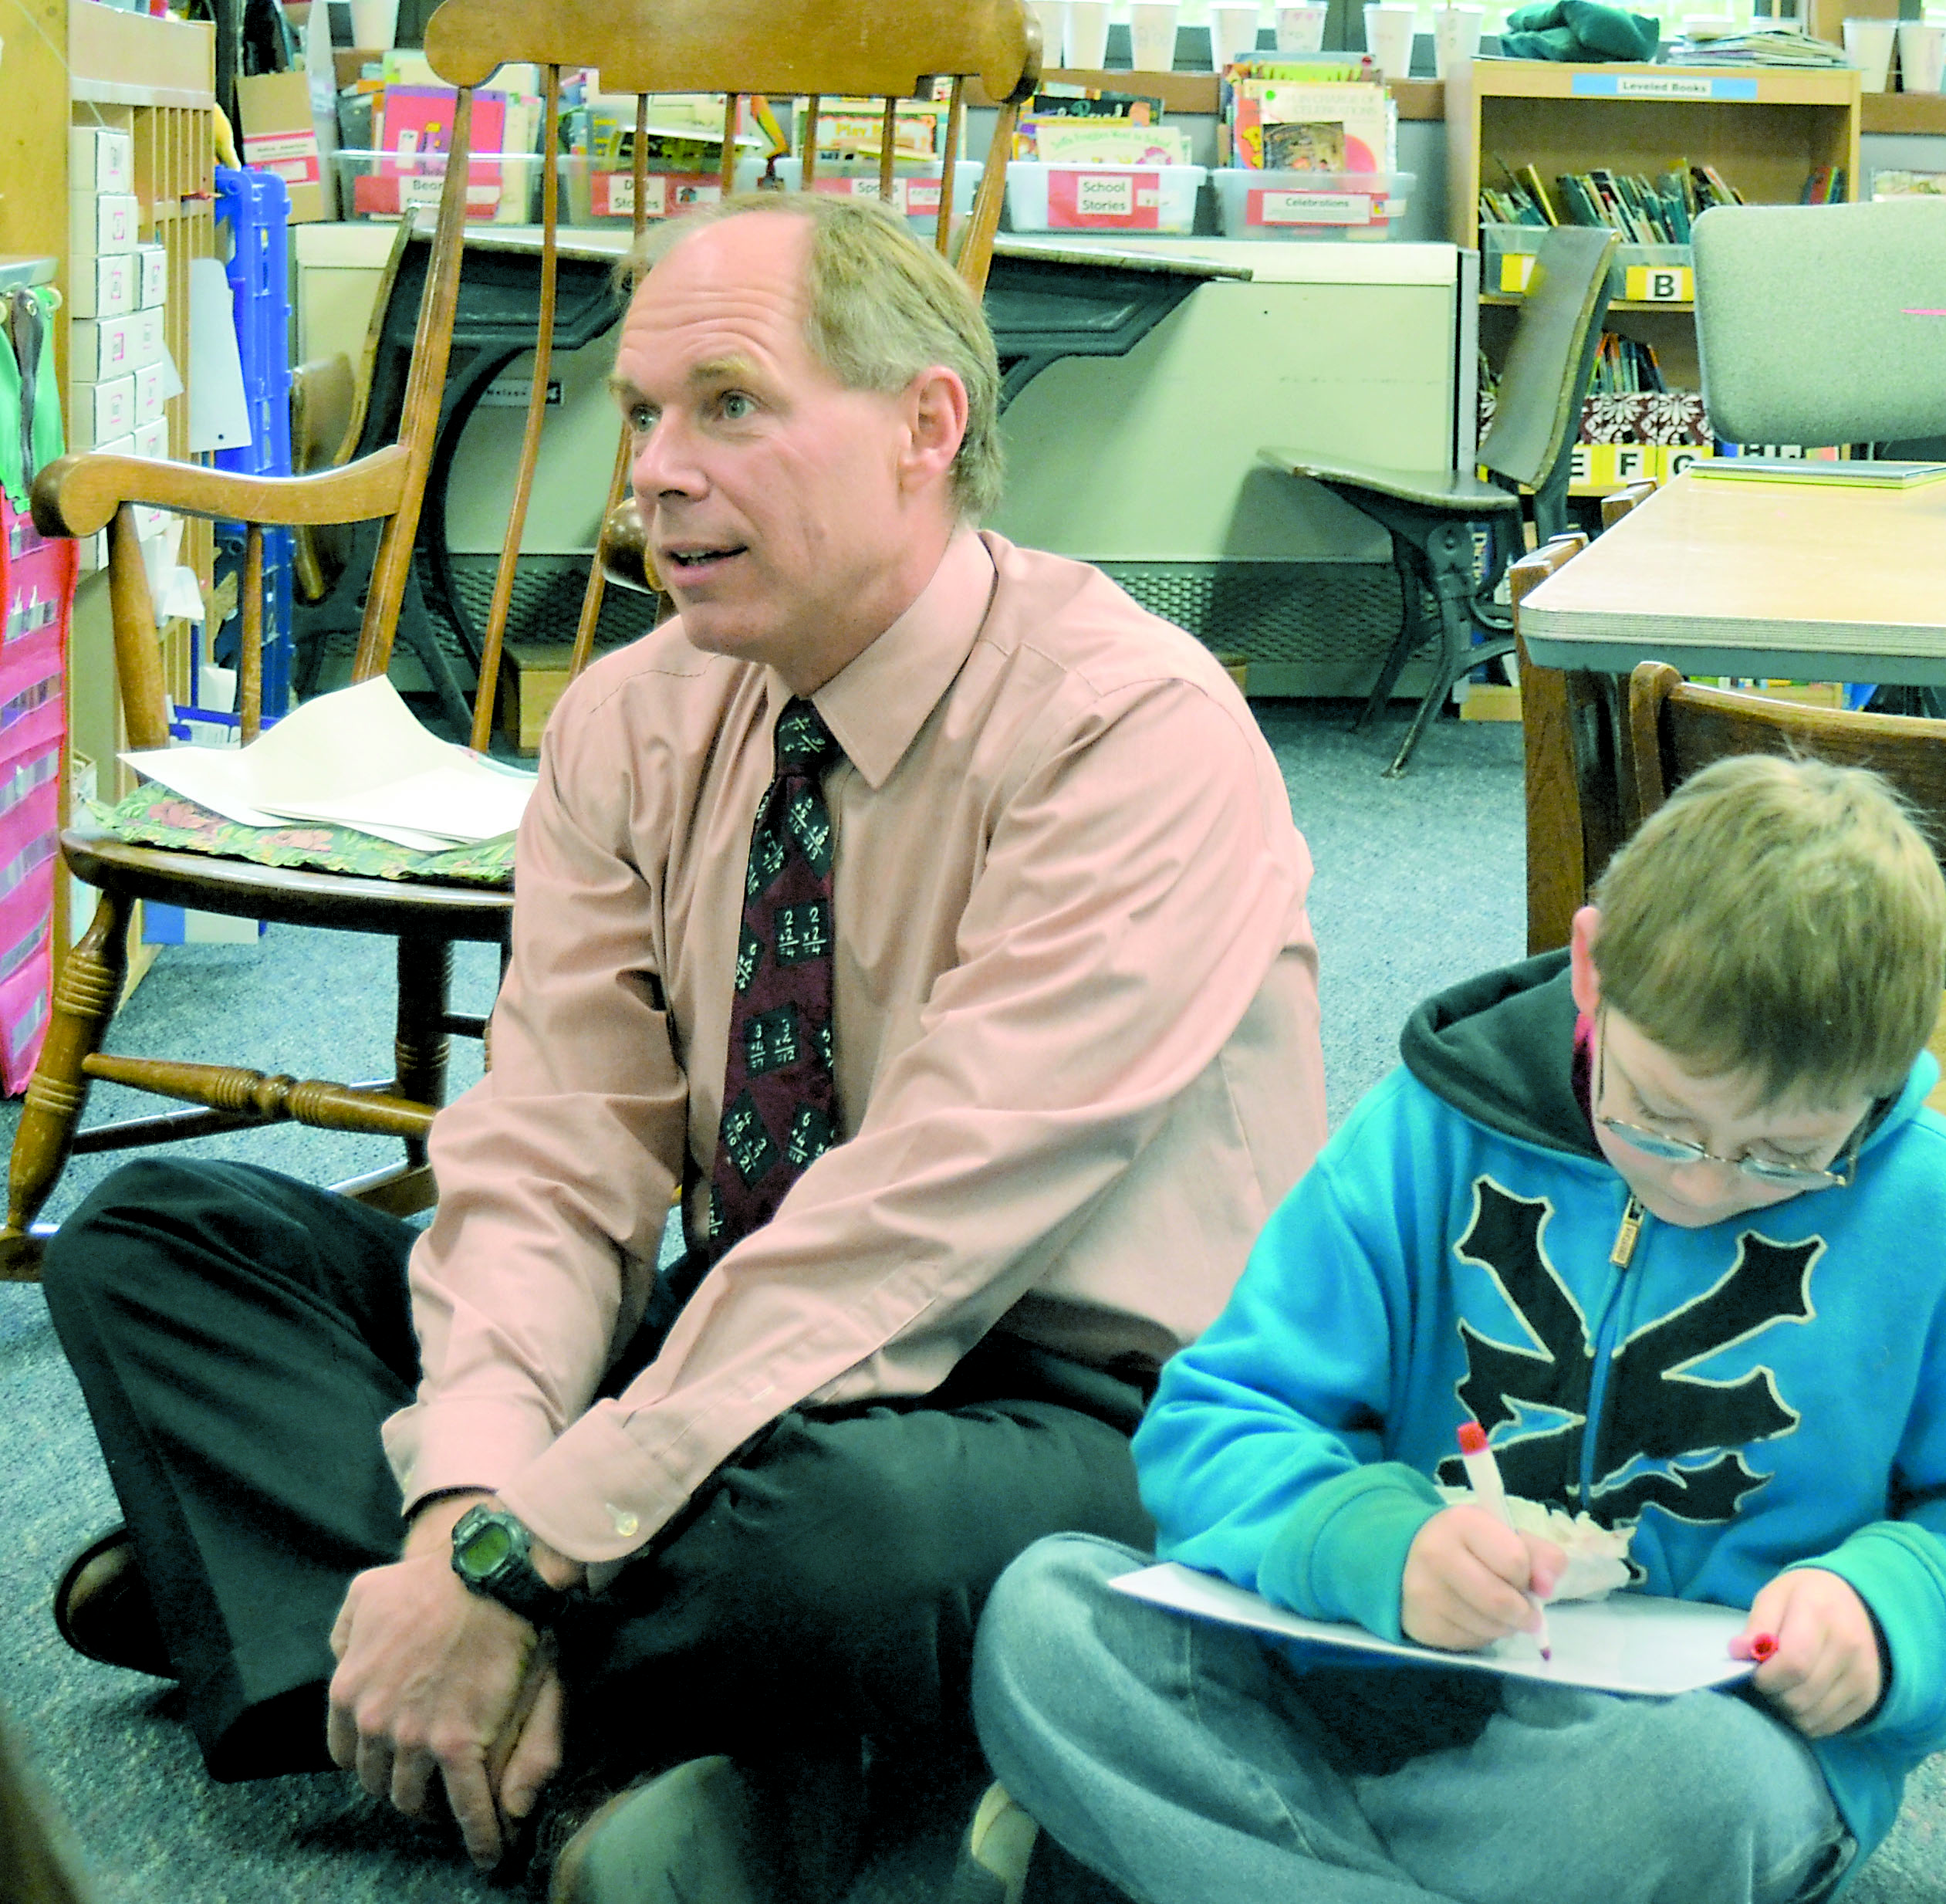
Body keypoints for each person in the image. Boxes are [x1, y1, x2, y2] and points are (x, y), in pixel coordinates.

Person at [40, 192, 1324, 1904]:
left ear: (924, 426)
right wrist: (475, 1511)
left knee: (830, 1541)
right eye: (640, 412)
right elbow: (558, 1148)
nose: (650, 468)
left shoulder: (1131, 730)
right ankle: (552, 1703)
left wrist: (518, 1552)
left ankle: (314, 1622)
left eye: (728, 404)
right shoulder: (633, 715)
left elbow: (920, 1228)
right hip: (745, 1332)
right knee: (160, 1241)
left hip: (1073, 1396)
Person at [966, 752, 1946, 1904]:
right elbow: (1220, 1417)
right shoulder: (1431, 1127)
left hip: (1682, 1741)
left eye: (1786, 1156)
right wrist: (1382, 1542)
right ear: (1591, 968)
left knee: (1703, 1798)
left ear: (1879, 1087)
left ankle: (1207, 1853)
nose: (1707, 1184)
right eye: (1663, 1119)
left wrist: (1890, 1611)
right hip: (1367, 1671)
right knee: (1046, 1617)